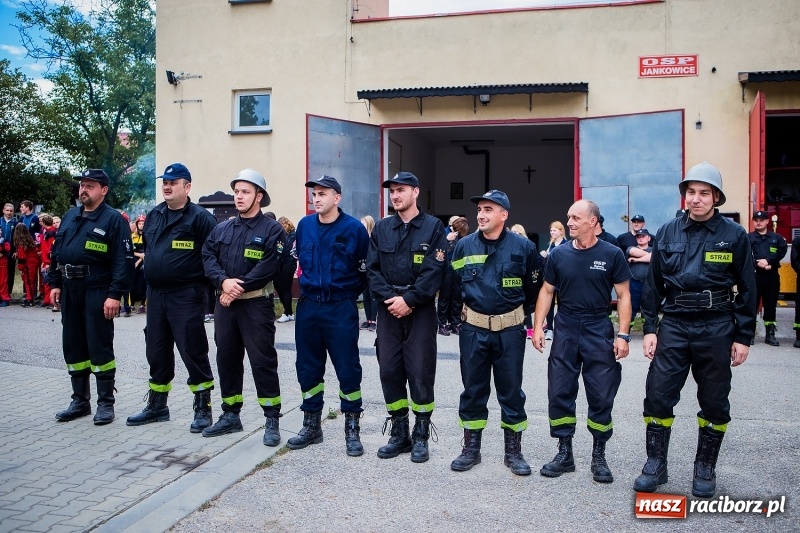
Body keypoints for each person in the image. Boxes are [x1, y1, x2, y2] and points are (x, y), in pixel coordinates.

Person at [634, 161, 756, 499]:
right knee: (658, 394)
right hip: (674, 324)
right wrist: (650, 329)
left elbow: (748, 288)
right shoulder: (667, 232)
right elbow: (653, 285)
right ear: (684, 195)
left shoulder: (734, 235)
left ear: (716, 197)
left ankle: (704, 468)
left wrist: (743, 336)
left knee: (715, 400)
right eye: (691, 192)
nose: (696, 199)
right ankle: (655, 465)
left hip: (716, 326)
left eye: (704, 193)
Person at [533, 199, 631, 484]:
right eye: (568, 217)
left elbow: (624, 295)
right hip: (566, 324)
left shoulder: (612, 254)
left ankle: (599, 456)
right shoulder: (559, 255)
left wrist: (623, 335)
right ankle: (565, 453)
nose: (570, 222)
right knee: (560, 389)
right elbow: (547, 291)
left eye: (576, 217)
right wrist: (538, 326)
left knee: (601, 391)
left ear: (593, 221)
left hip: (598, 326)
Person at [450, 190, 541, 476]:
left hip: (509, 331)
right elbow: (453, 285)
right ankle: (471, 449)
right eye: (479, 209)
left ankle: (513, 452)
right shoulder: (464, 246)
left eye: (488, 209)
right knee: (473, 390)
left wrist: (516, 315)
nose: (481, 215)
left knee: (511, 391)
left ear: (504, 215)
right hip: (473, 330)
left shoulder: (524, 247)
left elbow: (533, 289)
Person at [126, 163, 219, 433]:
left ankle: (203, 407)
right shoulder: (155, 215)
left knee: (192, 348)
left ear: (187, 187)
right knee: (156, 349)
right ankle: (157, 406)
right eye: (164, 182)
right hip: (156, 294)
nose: (167, 186)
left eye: (173, 182)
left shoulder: (200, 218)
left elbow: (213, 256)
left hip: (186, 294)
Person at [201, 169, 287, 446]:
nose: (239, 196)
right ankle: (230, 415)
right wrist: (222, 282)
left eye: (245, 192)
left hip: (256, 306)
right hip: (226, 307)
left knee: (262, 362)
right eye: (236, 191)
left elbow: (269, 266)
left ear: (259, 196)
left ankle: (272, 419)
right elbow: (207, 256)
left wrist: (236, 288)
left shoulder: (272, 230)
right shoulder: (222, 228)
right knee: (227, 360)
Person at [367, 172, 448, 463]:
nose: (395, 195)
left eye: (401, 190)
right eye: (392, 191)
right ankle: (399, 433)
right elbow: (372, 270)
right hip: (389, 309)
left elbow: (435, 271)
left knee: (420, 371)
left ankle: (421, 435)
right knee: (389, 370)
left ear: (415, 192)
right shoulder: (382, 228)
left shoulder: (433, 227)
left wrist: (410, 300)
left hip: (420, 310)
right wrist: (392, 299)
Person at [287, 175, 369, 457]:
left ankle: (352, 429)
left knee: (347, 367)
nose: (316, 198)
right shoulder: (305, 226)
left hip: (340, 307)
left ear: (337, 197)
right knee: (308, 367)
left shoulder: (354, 229)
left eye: (322, 193)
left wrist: (345, 295)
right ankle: (311, 425)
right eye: (314, 194)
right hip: (309, 307)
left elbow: (364, 272)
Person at [47, 169, 133, 425]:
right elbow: (57, 252)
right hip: (70, 290)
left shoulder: (113, 220)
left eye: (90, 186)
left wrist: (115, 294)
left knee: (99, 345)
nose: (83, 189)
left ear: (103, 190)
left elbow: (123, 261)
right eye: (82, 185)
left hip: (97, 290)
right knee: (73, 345)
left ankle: (105, 403)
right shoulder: (70, 215)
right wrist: (55, 283)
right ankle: (80, 401)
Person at [748, 210, 787, 346]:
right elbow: (745, 254)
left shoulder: (777, 238)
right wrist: (757, 263)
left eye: (761, 220)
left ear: (767, 221)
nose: (758, 223)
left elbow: (782, 251)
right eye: (756, 220)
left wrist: (769, 261)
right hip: (754, 275)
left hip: (771, 275)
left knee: (770, 305)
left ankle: (770, 334)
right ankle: (749, 333)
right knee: (751, 304)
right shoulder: (748, 238)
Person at [437, 216, 468, 336]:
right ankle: (441, 324)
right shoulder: (443, 233)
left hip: (457, 269)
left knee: (457, 298)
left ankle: (455, 323)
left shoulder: (462, 237)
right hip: (446, 270)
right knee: (444, 298)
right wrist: (446, 240)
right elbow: (436, 250)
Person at [539, 221, 568, 341]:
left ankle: (560, 329)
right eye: (551, 230)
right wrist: (543, 255)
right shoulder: (550, 245)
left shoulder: (567, 245)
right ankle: (550, 329)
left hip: (562, 280)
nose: (552, 232)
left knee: (562, 305)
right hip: (550, 278)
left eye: (554, 230)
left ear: (561, 231)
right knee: (549, 305)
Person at [626, 228, 653, 322]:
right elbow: (633, 252)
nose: (641, 238)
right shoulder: (631, 248)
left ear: (649, 238)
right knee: (631, 309)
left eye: (643, 236)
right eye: (638, 237)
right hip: (634, 283)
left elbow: (652, 257)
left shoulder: (654, 250)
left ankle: (649, 329)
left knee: (649, 310)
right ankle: (627, 329)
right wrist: (650, 256)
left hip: (649, 284)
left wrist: (637, 260)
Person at [275, 216, 298, 323]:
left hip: (288, 263)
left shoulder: (293, 235)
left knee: (285, 288)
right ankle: (289, 312)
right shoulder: (282, 235)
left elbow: (286, 249)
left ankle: (286, 313)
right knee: (278, 286)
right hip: (281, 263)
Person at [13, 223, 40, 308]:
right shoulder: (29, 240)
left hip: (27, 264)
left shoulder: (21, 243)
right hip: (33, 262)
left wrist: (20, 267)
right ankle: (30, 298)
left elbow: (22, 257)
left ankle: (30, 299)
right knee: (31, 281)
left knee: (28, 282)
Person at [359, 215, 378, 332]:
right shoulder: (362, 240)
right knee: (365, 295)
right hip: (364, 270)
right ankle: (368, 320)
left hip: (373, 271)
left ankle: (373, 321)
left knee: (372, 295)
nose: (361, 226)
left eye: (363, 224)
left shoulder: (374, 239)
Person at [39, 215, 57, 309]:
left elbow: (50, 249)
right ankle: (47, 300)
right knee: (45, 281)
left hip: (49, 261)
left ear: (44, 223)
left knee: (49, 281)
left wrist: (48, 262)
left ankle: (50, 300)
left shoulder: (51, 233)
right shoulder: (46, 232)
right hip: (45, 260)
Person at [130, 215, 147, 314]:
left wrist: (139, 259)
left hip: (144, 261)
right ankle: (131, 304)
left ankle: (142, 304)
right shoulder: (133, 236)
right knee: (133, 282)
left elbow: (146, 252)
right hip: (134, 261)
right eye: (140, 223)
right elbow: (130, 250)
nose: (141, 225)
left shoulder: (147, 236)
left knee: (144, 283)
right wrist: (139, 256)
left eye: (143, 224)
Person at [0, 203, 17, 301]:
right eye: (7, 210)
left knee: (10, 273)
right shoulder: (0, 221)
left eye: (11, 211)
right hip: (0, 252)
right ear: (3, 210)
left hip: (11, 252)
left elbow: (18, 239)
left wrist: (16, 251)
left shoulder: (16, 223)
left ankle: (8, 293)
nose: (9, 212)